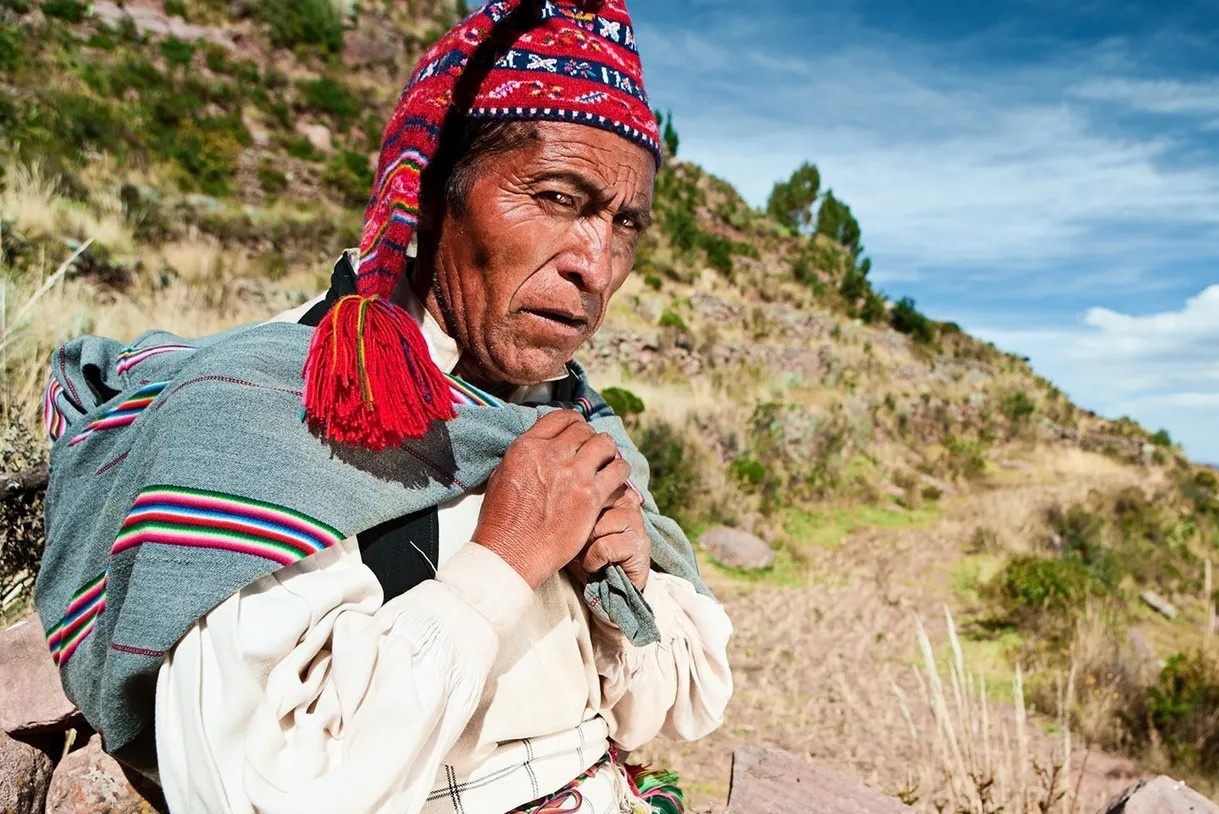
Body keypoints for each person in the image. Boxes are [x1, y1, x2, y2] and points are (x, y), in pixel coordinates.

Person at [33, 1, 733, 813]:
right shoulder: (270, 415)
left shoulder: (570, 418)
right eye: (555, 197)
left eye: (624, 224)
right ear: (431, 193)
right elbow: (248, 789)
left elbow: (681, 705)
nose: (595, 263)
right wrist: (504, 563)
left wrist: (628, 586)